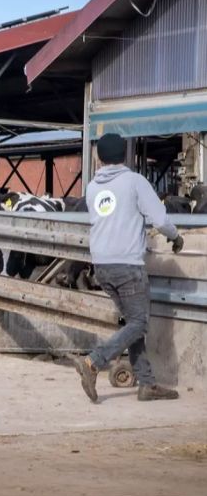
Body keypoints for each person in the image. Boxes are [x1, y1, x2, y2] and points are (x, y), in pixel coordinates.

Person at [76, 133, 183, 403]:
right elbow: (159, 219)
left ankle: (147, 384)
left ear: (99, 157)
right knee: (139, 322)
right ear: (125, 155)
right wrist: (176, 236)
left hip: (101, 265)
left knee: (133, 325)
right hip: (128, 264)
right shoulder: (135, 182)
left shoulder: (92, 188)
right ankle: (94, 361)